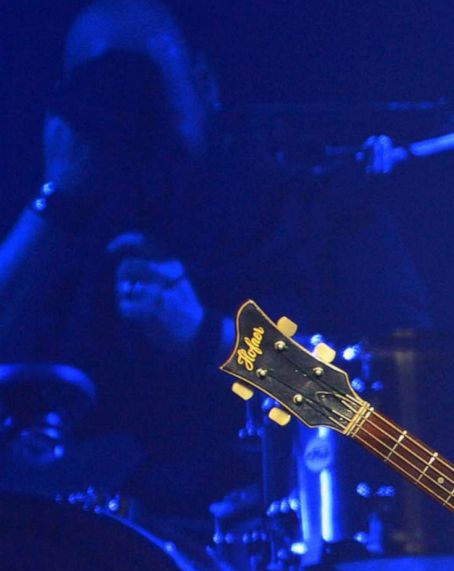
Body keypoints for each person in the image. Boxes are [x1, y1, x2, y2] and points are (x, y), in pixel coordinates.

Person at [0, 0, 429, 525]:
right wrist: (55, 198)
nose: (130, 105)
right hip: (104, 566)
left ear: (202, 81)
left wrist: (207, 336)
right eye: (103, 83)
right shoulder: (62, 240)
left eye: (147, 79)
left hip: (285, 551)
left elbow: (396, 411)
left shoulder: (322, 216)